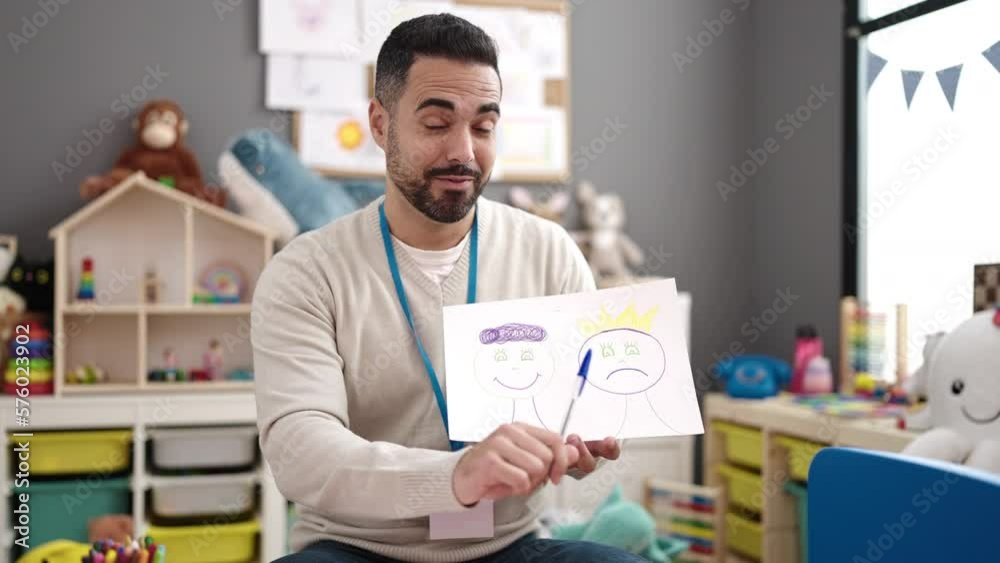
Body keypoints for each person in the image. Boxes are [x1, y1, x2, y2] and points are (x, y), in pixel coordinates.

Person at [253, 13, 641, 563]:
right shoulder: (306, 272)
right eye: (437, 124)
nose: (463, 152)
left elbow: (583, 412)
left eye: (483, 127)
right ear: (381, 124)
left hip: (506, 544)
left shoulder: (549, 251)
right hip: (357, 547)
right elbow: (301, 452)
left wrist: (581, 442)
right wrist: (454, 476)